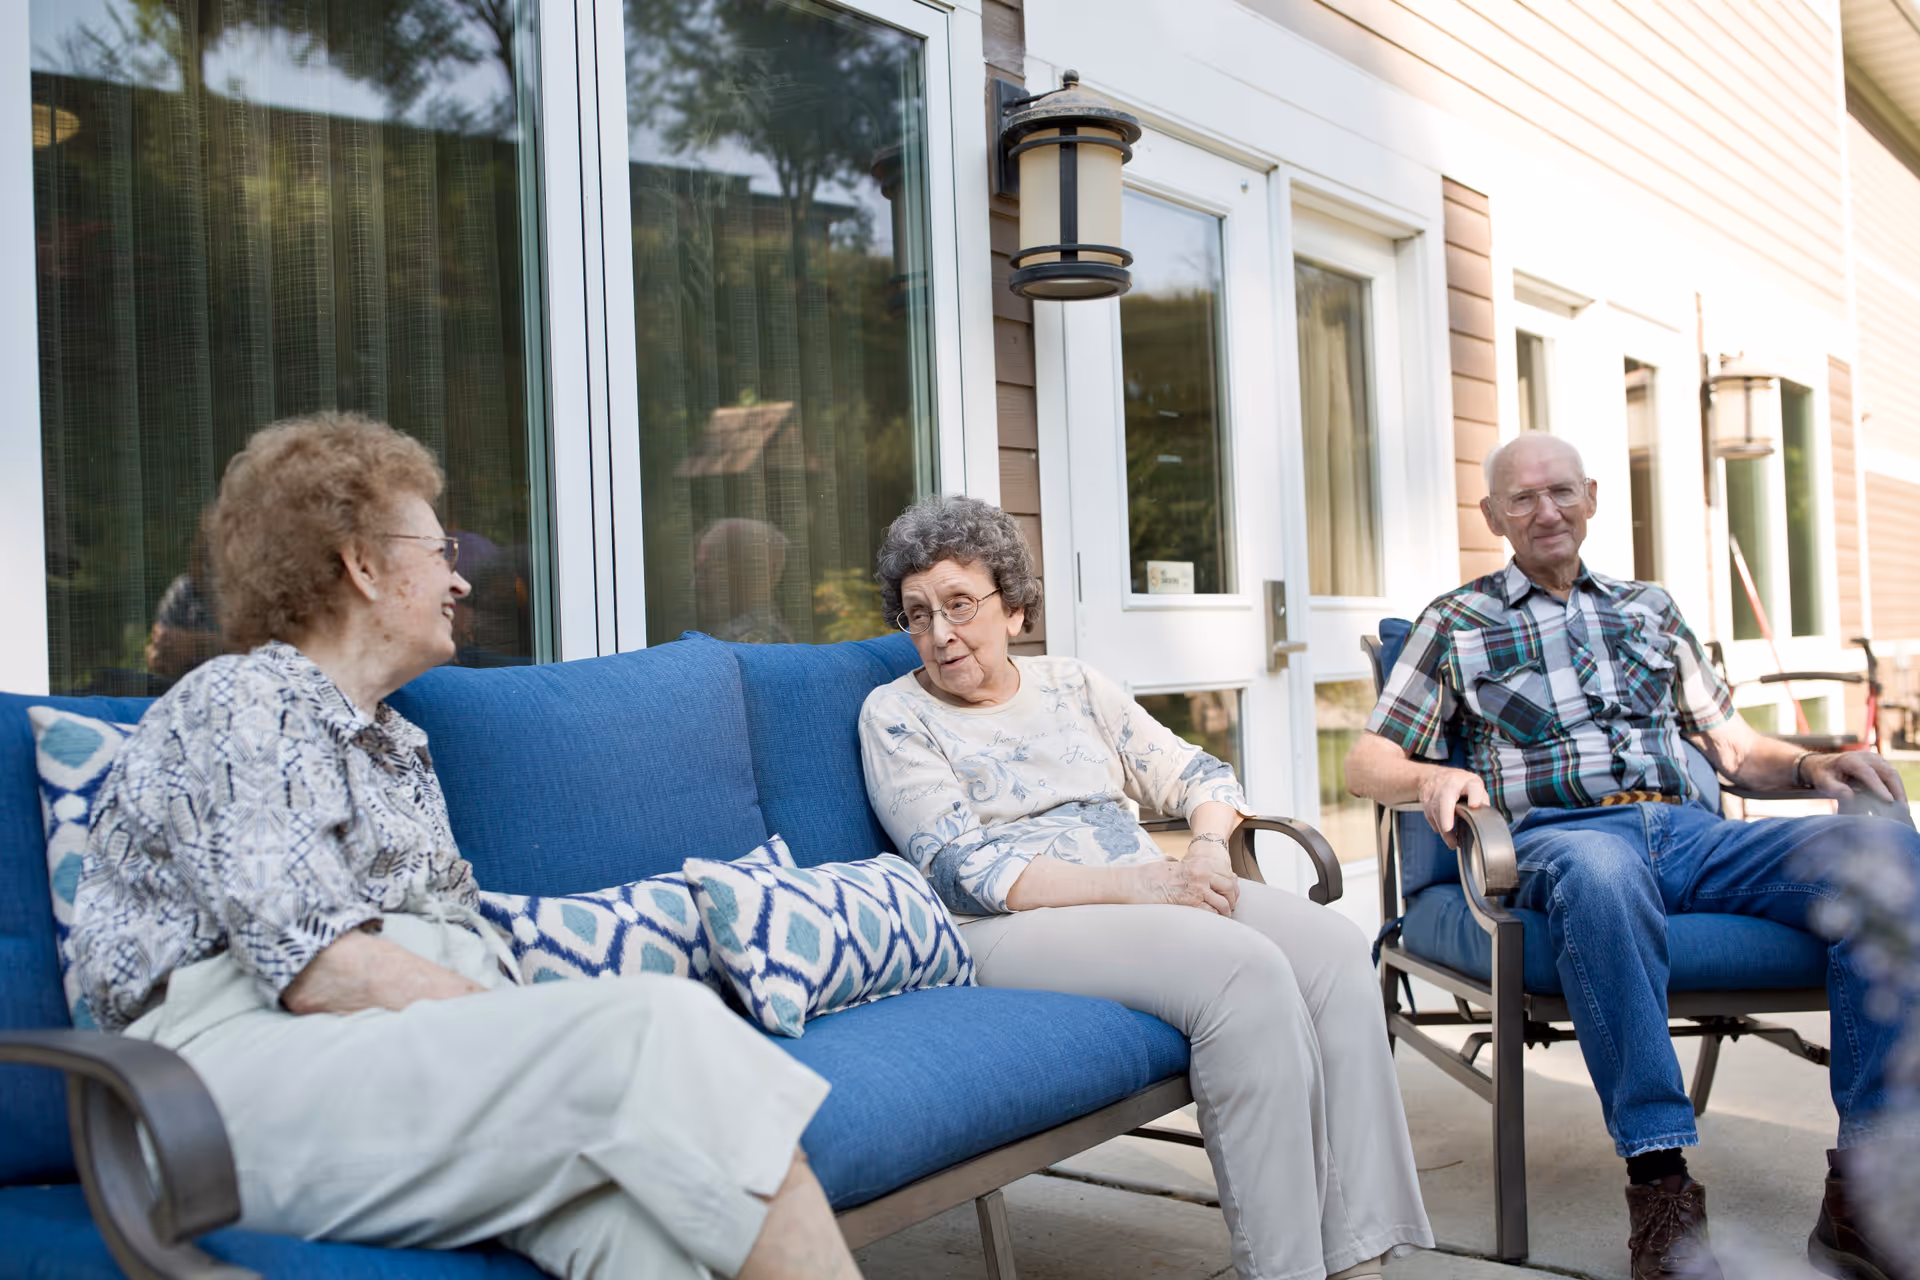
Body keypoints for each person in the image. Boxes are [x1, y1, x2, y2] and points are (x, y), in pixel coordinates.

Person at [68, 412, 860, 1280]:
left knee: (641, 1227)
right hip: (217, 1088)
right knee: (657, 1028)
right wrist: (543, 1029)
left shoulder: (397, 748)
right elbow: (320, 969)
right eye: (440, 551)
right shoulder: (243, 701)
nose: (461, 583)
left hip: (383, 1058)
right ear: (361, 564)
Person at [1345, 432, 1920, 1280]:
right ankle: (1661, 1189)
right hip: (1559, 840)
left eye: (1562, 491)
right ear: (1492, 515)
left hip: (1693, 837)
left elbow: (1731, 749)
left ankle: (1865, 1192)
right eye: (1524, 498)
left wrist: (1809, 766)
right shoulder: (1455, 622)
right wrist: (1433, 773)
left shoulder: (1651, 608)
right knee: (1603, 873)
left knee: (1889, 850)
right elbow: (1366, 763)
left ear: (1593, 497)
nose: (1547, 511)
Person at [856, 494, 1433, 1280]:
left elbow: (1199, 773)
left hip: (1145, 892)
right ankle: (1287, 1268)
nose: (940, 634)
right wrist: (1142, 883)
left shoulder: (1072, 685)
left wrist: (1201, 850)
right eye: (918, 615)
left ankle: (1359, 1251)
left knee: (1332, 948)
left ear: (1015, 608)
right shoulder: (895, 715)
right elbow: (965, 870)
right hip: (1008, 923)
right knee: (1242, 969)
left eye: (960, 605)